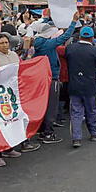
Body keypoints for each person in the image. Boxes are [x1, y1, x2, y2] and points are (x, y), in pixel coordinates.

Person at [33, 13, 80, 144]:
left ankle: (43, 131)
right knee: (51, 107)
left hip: (42, 78)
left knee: (44, 105)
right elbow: (64, 36)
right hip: (51, 77)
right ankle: (48, 133)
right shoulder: (48, 45)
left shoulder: (38, 43)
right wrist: (73, 22)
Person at [0, 33, 25, 167]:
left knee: (11, 121)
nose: (5, 45)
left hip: (12, 94)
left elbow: (22, 68)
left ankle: (8, 148)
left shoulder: (13, 55)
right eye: (1, 43)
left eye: (6, 42)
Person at [65, 26, 96, 148]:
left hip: (74, 86)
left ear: (80, 36)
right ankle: (94, 133)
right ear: (92, 38)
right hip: (90, 87)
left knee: (76, 113)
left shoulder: (70, 49)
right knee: (92, 111)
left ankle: (76, 138)